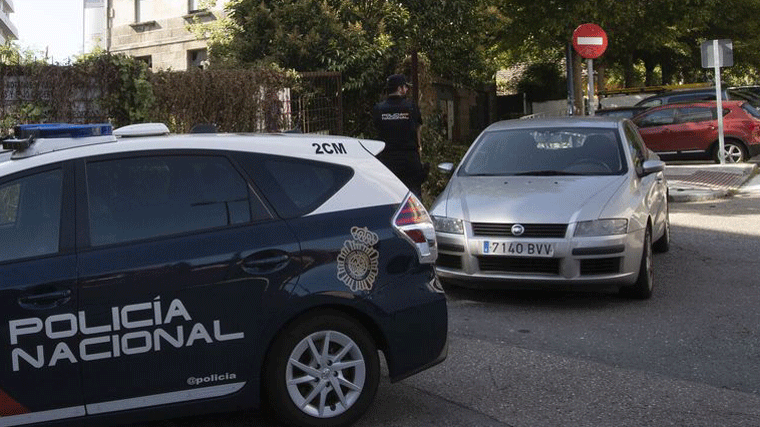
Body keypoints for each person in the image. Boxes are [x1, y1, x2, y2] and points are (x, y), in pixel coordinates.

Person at [372, 74, 425, 198]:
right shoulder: (411, 107)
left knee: (390, 196)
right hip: (409, 159)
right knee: (413, 197)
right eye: (405, 87)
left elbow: (377, 130)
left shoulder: (378, 109)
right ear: (400, 88)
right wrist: (419, 149)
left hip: (387, 160)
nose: (406, 90)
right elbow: (418, 130)